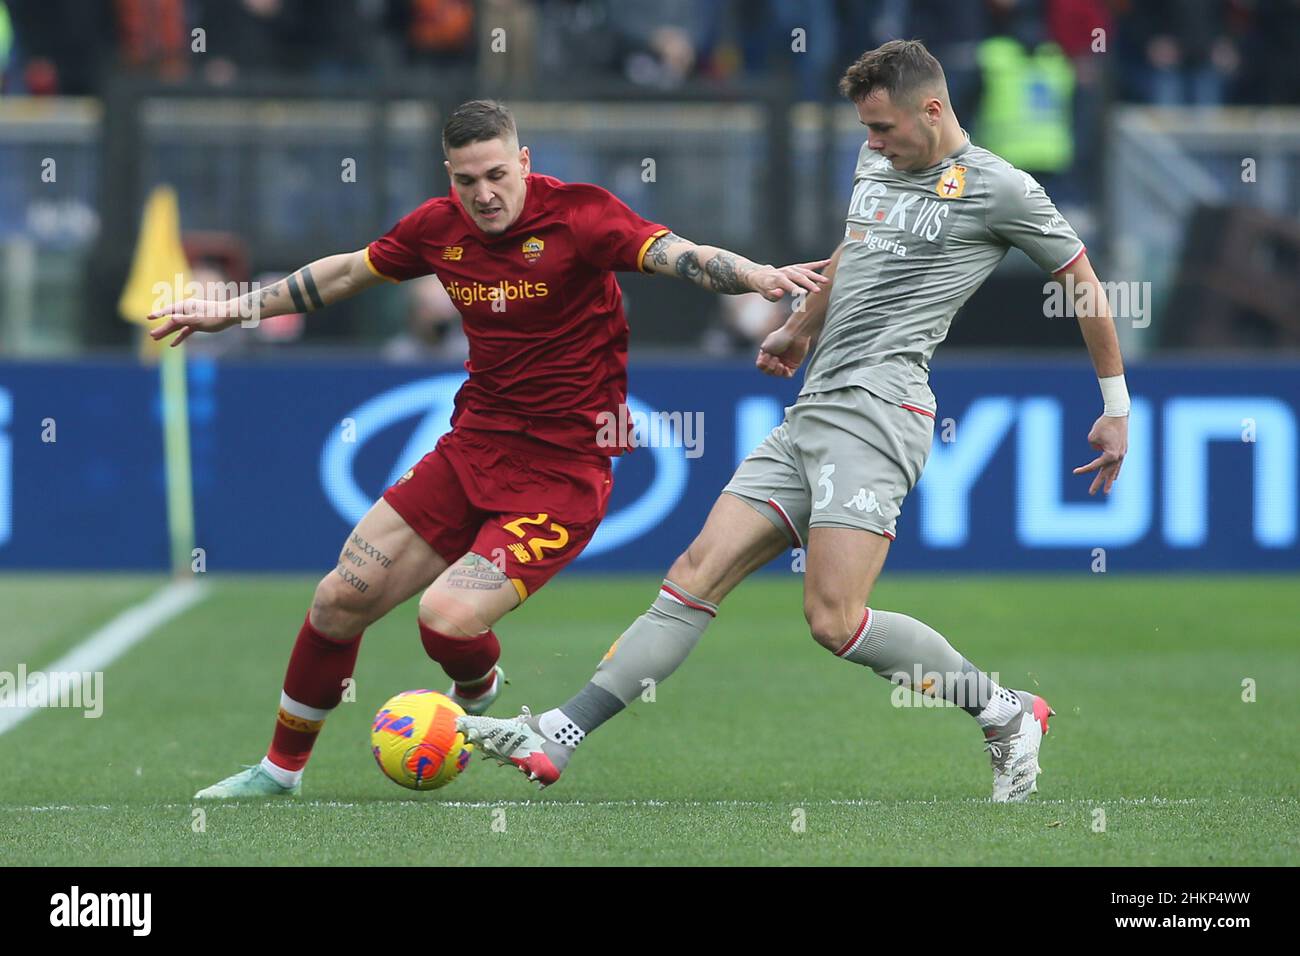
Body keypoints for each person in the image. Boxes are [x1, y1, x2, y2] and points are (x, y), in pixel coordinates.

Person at [459, 40, 1130, 803]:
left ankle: (1007, 712)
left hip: (879, 415)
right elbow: (858, 247)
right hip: (814, 409)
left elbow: (1082, 280)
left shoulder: (997, 188)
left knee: (834, 619)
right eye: (865, 129)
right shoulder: (878, 165)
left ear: (933, 110)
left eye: (882, 128)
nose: (870, 144)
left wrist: (1115, 407)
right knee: (692, 578)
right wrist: (801, 327)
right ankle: (559, 733)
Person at [147, 98, 829, 799]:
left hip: (562, 476)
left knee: (444, 621)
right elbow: (346, 273)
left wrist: (752, 274)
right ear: (450, 176)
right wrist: (232, 307)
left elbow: (678, 253)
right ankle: (278, 772)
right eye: (467, 180)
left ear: (525, 163)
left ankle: (477, 686)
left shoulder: (580, 216)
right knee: (335, 602)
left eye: (497, 175)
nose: (484, 194)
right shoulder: (437, 230)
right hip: (471, 449)